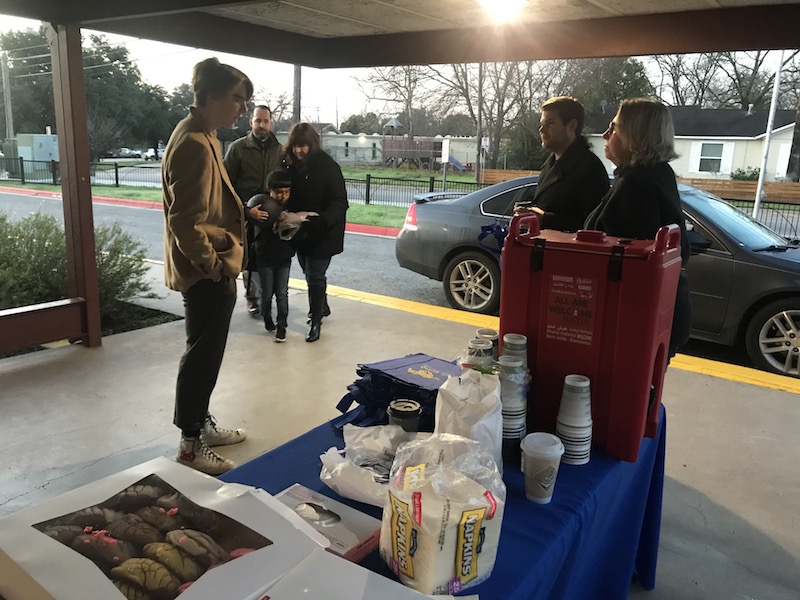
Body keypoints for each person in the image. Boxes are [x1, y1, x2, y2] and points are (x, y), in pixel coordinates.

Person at [162, 57, 253, 475]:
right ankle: (190, 443)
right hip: (206, 272)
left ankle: (200, 425)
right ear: (212, 96)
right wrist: (213, 266)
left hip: (211, 266)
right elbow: (185, 220)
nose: (243, 109)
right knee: (202, 356)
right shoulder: (195, 144)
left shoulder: (202, 134)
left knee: (205, 351)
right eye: (238, 99)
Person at [584, 98, 691, 359]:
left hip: (635, 326)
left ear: (635, 136)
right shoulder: (658, 174)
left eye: (615, 128)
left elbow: (627, 268)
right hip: (663, 315)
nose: (605, 135)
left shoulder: (636, 186)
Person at [281, 123, 348, 343]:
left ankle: (315, 319)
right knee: (309, 272)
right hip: (301, 231)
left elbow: (340, 201)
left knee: (315, 274)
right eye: (296, 146)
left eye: (303, 146)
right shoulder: (289, 166)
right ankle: (323, 305)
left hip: (324, 231)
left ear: (312, 144)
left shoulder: (328, 166)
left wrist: (323, 220)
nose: (299, 151)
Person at [515, 96, 609, 231]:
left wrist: (544, 219)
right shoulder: (550, 164)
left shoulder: (590, 170)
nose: (542, 130)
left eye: (550, 123)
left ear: (572, 126)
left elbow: (593, 226)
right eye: (542, 124)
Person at [224, 105, 282, 317]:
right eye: (258, 121)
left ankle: (271, 296)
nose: (262, 125)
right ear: (251, 122)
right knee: (251, 259)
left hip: (274, 215)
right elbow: (226, 185)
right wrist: (245, 211)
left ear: (271, 123)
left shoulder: (281, 150)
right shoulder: (238, 149)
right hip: (248, 214)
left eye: (266, 121)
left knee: (273, 258)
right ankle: (252, 299)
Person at [246, 170, 316, 342]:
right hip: (264, 258)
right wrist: (250, 214)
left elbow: (299, 231)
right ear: (269, 190)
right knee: (266, 293)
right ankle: (267, 317)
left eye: (286, 192)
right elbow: (247, 221)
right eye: (278, 192)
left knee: (282, 293)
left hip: (284, 258)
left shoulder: (290, 209)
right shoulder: (261, 207)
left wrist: (293, 222)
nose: (283, 196)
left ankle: (281, 327)